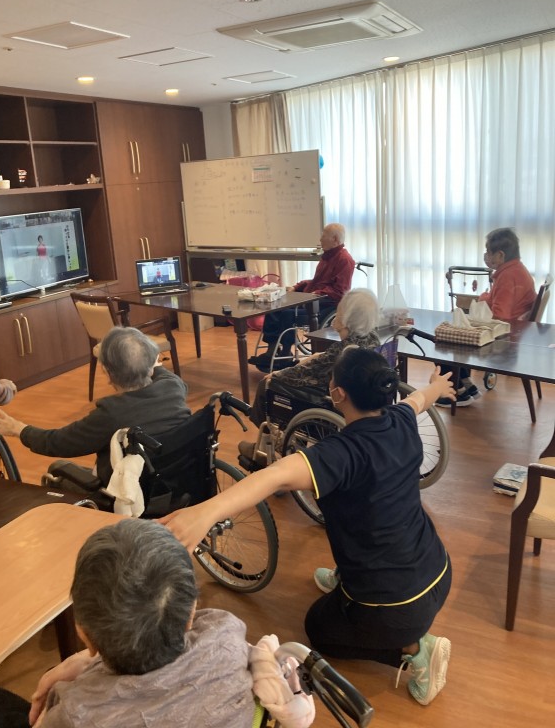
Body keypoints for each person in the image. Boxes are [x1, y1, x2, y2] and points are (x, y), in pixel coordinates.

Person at [162, 348, 455, 706]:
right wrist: (437, 385)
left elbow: (274, 476)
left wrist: (204, 513)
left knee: (318, 630)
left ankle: (415, 650)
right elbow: (420, 399)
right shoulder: (400, 418)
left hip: (397, 607)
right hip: (437, 569)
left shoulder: (343, 452)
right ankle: (349, 583)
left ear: (338, 394)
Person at [0, 520, 314, 728]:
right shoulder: (226, 636)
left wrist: (82, 665)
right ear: (192, 611)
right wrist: (84, 663)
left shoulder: (76, 712)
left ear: (83, 633)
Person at [0, 327, 191, 484]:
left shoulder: (112, 414)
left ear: (107, 373)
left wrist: (19, 429)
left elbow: (58, 442)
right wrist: (142, 360)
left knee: (57, 469)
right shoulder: (173, 386)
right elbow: (158, 370)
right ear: (151, 364)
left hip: (129, 489)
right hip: (177, 477)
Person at [239, 288, 380, 462]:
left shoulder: (344, 351)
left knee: (267, 385)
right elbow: (322, 360)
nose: (337, 318)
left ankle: (268, 443)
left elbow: (305, 373)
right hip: (358, 395)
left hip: (329, 399)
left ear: (347, 318)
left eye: (340, 313)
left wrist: (278, 374)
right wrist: (313, 358)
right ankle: (289, 441)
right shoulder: (371, 338)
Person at [438, 227, 536, 407]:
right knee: (457, 330)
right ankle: (465, 385)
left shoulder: (508, 277)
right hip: (515, 333)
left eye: (489, 252)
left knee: (444, 341)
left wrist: (483, 300)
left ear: (500, 255)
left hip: (505, 339)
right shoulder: (517, 270)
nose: (486, 256)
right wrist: (486, 298)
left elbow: (500, 316)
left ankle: (457, 392)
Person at [249, 223, 356, 372]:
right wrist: (297, 286)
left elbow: (340, 291)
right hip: (311, 300)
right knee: (275, 307)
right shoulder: (327, 257)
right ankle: (272, 350)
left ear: (335, 239)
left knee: (287, 313)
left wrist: (316, 293)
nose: (320, 239)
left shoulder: (345, 260)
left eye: (324, 235)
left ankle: (286, 353)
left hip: (325, 306)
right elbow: (315, 281)